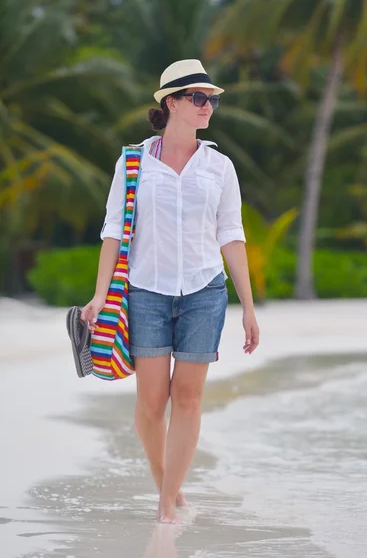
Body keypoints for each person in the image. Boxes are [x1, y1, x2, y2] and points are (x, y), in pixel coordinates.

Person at [81, 59, 260, 524]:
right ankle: (167, 483)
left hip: (205, 291)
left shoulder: (219, 166)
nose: (207, 106)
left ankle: (166, 504)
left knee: (189, 399)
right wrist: (100, 296)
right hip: (146, 292)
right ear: (172, 103)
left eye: (211, 99)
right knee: (149, 404)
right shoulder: (133, 162)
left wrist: (248, 306)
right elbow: (113, 232)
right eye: (198, 98)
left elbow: (231, 234)